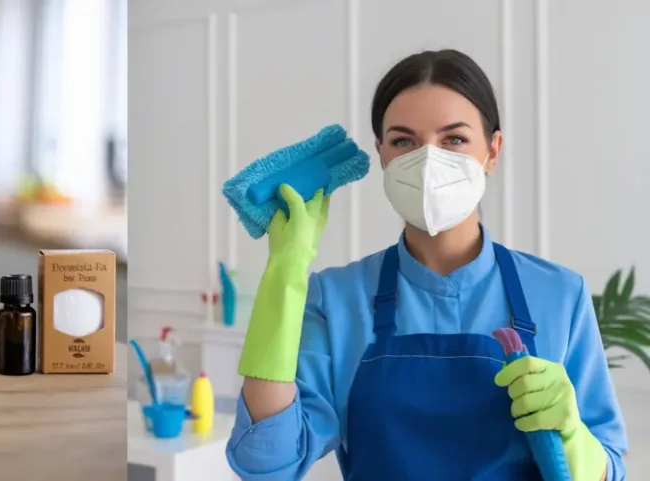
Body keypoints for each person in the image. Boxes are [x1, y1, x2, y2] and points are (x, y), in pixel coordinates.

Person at [225, 49, 628, 481]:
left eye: (454, 139)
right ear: (381, 153)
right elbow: (265, 464)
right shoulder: (338, 299)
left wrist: (571, 433)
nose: (428, 161)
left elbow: (610, 469)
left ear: (492, 151)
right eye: (404, 141)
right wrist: (284, 275)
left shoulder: (560, 295)